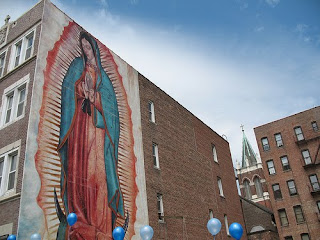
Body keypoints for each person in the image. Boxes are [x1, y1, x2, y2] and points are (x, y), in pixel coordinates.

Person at [55, 31, 124, 239]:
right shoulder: (77, 66)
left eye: (88, 47)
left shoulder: (104, 79)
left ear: (94, 48)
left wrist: (95, 96)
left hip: (98, 132)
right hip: (80, 130)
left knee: (97, 177)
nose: (86, 51)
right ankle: (80, 219)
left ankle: (101, 225)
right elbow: (68, 89)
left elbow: (112, 110)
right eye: (83, 47)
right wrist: (79, 90)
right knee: (79, 173)